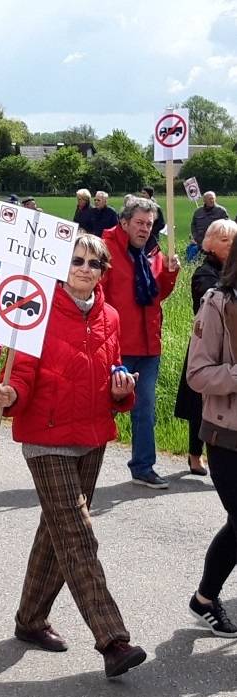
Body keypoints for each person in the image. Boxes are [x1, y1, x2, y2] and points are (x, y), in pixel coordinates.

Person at [0, 233, 147, 679]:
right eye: (76, 261)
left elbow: (114, 372)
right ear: (62, 267)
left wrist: (122, 390)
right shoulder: (34, 313)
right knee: (77, 534)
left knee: (56, 532)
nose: (84, 268)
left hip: (92, 437)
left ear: (103, 271)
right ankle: (112, 640)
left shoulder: (111, 316)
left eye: (93, 263)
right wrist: (9, 393)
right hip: (46, 437)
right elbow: (19, 374)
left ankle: (30, 619)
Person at [100, 197, 181, 488]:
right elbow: (98, 299)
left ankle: (143, 467)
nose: (145, 229)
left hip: (149, 346)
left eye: (149, 224)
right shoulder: (106, 250)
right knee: (102, 406)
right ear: (124, 222)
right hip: (116, 346)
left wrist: (170, 274)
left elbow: (155, 296)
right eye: (140, 223)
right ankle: (81, 459)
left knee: (145, 408)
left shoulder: (154, 253)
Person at [184, 248, 237, 639]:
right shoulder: (218, 304)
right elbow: (198, 374)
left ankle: (203, 599)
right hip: (227, 438)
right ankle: (204, 600)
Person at [176, 219, 237, 476]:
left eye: (232, 240)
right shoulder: (205, 272)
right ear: (210, 244)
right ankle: (194, 453)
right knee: (200, 406)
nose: (230, 244)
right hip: (208, 344)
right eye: (225, 240)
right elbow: (209, 297)